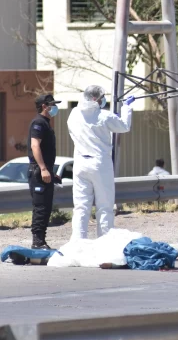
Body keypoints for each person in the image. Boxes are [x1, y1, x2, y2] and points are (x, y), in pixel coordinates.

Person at [67, 86, 133, 239]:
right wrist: (127, 107)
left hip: (80, 163)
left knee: (81, 207)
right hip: (99, 163)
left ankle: (78, 243)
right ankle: (104, 242)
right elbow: (124, 126)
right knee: (104, 207)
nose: (104, 100)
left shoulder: (74, 114)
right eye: (102, 97)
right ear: (96, 99)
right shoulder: (104, 116)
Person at [27, 94, 61, 249]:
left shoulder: (46, 123)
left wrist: (51, 172)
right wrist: (43, 169)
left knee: (46, 208)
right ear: (44, 106)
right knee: (40, 208)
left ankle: (41, 240)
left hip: (45, 172)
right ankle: (37, 242)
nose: (54, 108)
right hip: (38, 173)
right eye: (52, 105)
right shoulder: (38, 123)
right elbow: (35, 146)